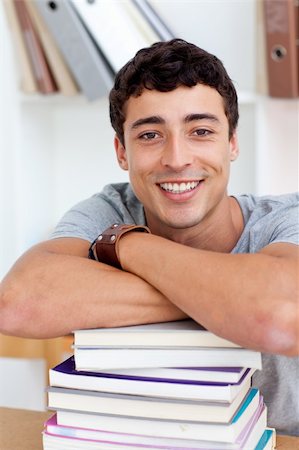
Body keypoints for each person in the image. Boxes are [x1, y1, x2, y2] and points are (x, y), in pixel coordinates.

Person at [0, 39, 298, 435]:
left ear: (232, 143)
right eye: (150, 136)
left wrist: (127, 244)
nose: (177, 159)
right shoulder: (111, 209)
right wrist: (228, 299)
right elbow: (18, 304)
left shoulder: (285, 219)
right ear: (122, 152)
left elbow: (280, 316)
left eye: (201, 130)